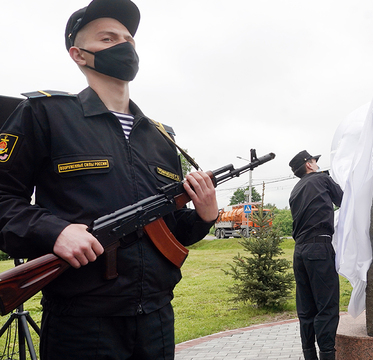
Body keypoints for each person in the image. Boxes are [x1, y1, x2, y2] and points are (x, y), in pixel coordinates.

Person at [0, 0, 218, 358]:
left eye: (129, 39)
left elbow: (171, 230)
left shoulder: (161, 137)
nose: (124, 45)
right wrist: (53, 231)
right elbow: (4, 198)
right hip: (83, 325)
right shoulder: (45, 114)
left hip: (157, 320)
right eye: (108, 38)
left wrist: (204, 216)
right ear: (79, 54)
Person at [288, 150, 343, 360]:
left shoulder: (295, 190)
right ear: (309, 165)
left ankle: (309, 355)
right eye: (314, 161)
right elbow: (344, 199)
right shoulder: (322, 179)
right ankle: (328, 355)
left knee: (306, 309)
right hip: (319, 248)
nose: (317, 164)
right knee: (327, 307)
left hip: (299, 252)